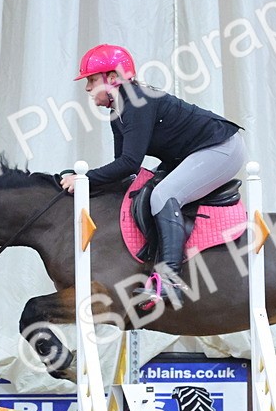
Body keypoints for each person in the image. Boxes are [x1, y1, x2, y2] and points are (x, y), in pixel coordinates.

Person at [60, 44, 246, 306]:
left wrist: (84, 178)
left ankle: (170, 280)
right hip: (196, 151)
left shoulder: (137, 102)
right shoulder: (117, 112)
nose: (88, 88)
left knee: (163, 195)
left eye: (91, 80)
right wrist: (83, 184)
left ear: (113, 78)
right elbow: (124, 170)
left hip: (222, 148)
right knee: (149, 188)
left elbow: (129, 163)